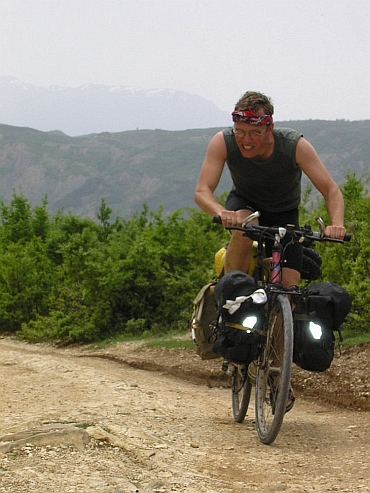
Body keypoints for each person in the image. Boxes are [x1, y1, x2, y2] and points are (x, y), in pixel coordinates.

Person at [194, 91, 346, 288]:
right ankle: (230, 297)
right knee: (243, 230)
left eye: (255, 133)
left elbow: (330, 189)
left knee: (288, 289)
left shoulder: (294, 145)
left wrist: (336, 225)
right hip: (245, 205)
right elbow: (202, 191)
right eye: (240, 131)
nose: (246, 140)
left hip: (285, 213)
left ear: (269, 128)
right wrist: (222, 212)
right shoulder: (223, 141)